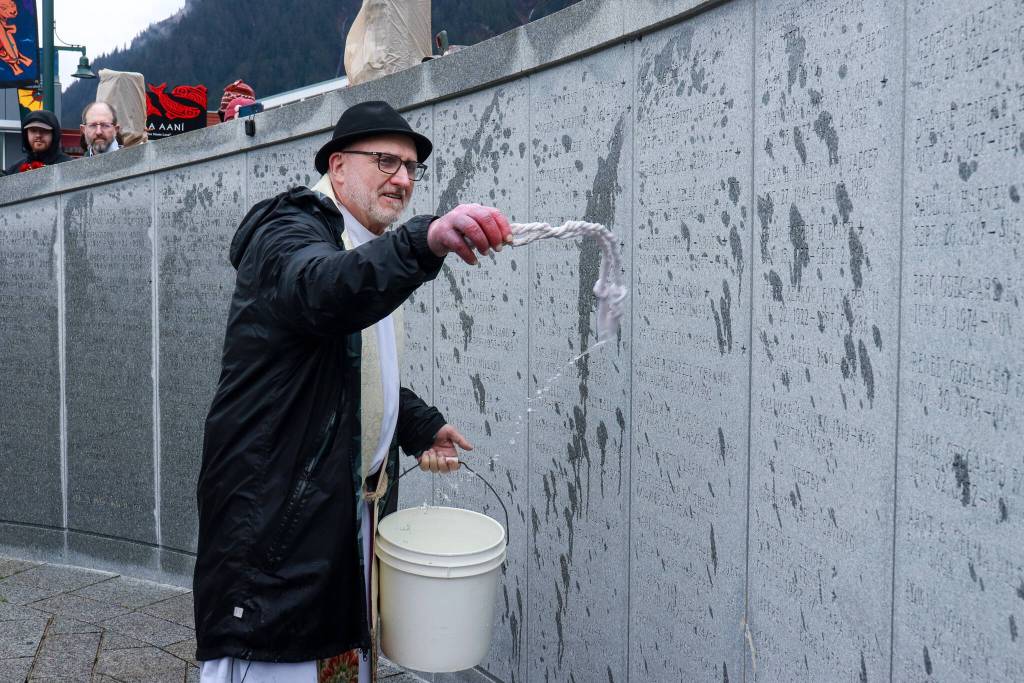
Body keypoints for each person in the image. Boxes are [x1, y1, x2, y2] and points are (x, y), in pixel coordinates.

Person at [194, 100, 513, 683]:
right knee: (281, 663)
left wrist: (414, 424)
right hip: (276, 526)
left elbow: (348, 361)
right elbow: (322, 291)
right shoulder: (288, 231)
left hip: (337, 515)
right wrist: (425, 243)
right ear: (337, 167)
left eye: (413, 168)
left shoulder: (360, 241)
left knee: (339, 661)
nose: (403, 179)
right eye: (386, 161)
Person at [3, 110, 72, 175]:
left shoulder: (68, 166)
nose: (38, 135)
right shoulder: (15, 169)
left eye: (44, 130)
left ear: (54, 134)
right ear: (26, 134)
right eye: (33, 130)